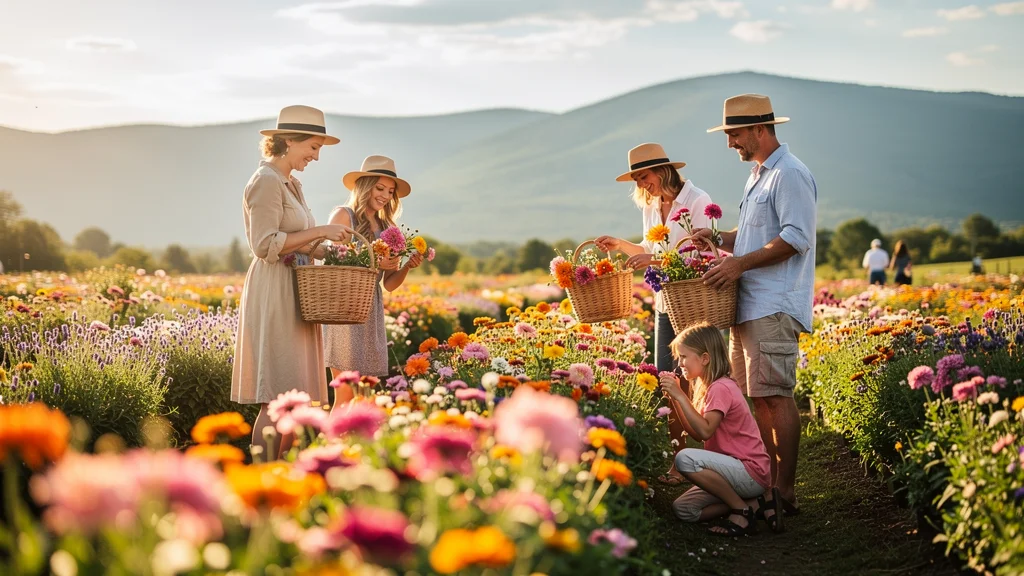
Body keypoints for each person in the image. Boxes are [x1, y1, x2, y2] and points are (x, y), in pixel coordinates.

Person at [693, 94, 816, 518]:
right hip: (749, 305)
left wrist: (740, 263)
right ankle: (767, 484)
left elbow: (795, 238)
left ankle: (785, 491)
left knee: (777, 397)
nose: (730, 143)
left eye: (735, 134)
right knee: (757, 397)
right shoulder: (758, 176)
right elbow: (754, 235)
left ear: (760, 130)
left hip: (773, 303)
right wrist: (720, 240)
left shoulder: (790, 175)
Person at [594, 142, 714, 486]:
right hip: (665, 305)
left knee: (700, 382)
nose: (641, 185)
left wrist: (656, 260)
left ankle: (708, 460)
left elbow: (702, 255)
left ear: (662, 171)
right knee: (669, 382)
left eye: (643, 177)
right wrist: (621, 245)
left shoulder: (696, 201)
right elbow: (650, 250)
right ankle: (679, 462)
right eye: (636, 180)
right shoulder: (652, 207)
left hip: (694, 302)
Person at [232, 105, 347, 459]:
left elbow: (302, 239)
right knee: (278, 393)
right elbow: (265, 244)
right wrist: (321, 231)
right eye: (313, 147)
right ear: (290, 141)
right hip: (276, 289)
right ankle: (263, 475)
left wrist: (333, 251)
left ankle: (286, 471)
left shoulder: (290, 183)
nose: (315, 156)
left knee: (297, 395)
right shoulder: (265, 181)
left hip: (298, 287)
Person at [658, 323, 779, 535]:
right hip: (729, 473)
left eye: (685, 356)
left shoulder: (721, 387)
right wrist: (676, 399)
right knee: (684, 509)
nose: (680, 363)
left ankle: (740, 511)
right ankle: (755, 504)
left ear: (705, 358)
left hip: (749, 470)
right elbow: (696, 434)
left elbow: (705, 431)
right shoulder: (707, 387)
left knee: (684, 459)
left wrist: (679, 395)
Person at [324, 155, 423, 407]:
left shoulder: (388, 227)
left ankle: (354, 445)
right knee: (346, 395)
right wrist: (374, 264)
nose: (384, 196)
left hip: (371, 311)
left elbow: (388, 284)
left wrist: (406, 267)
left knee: (365, 395)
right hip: (344, 311)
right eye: (380, 188)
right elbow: (331, 265)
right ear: (365, 186)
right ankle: (331, 445)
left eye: (390, 191)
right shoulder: (344, 215)